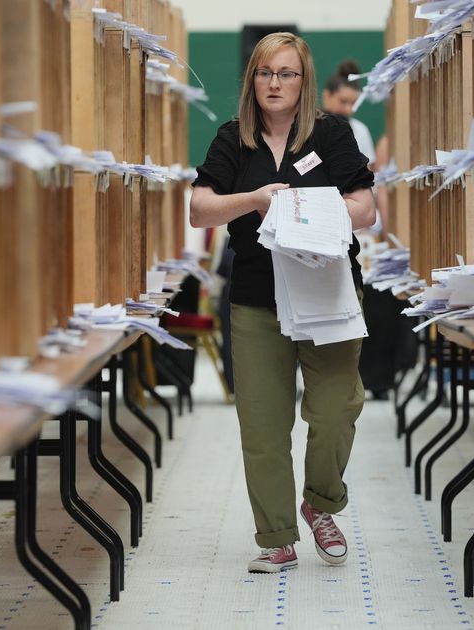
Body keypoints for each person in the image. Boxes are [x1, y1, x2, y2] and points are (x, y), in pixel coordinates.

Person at [189, 32, 376, 573]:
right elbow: (201, 209)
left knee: (338, 408)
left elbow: (365, 206)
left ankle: (319, 505)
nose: (275, 83)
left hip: (329, 293)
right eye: (265, 73)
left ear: (304, 80)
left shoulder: (332, 134)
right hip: (256, 298)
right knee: (264, 425)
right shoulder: (233, 140)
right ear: (252, 80)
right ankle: (276, 536)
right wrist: (254, 199)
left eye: (286, 73)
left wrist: (313, 208)